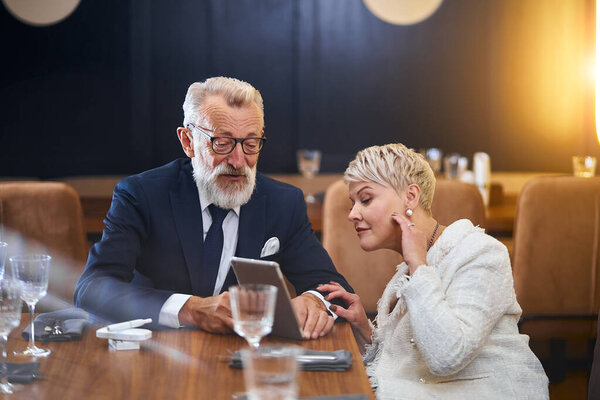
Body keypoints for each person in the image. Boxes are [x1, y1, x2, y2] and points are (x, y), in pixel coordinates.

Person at [74, 77, 352, 339]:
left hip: (241, 358)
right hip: (156, 356)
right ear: (188, 142)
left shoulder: (283, 203)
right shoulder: (142, 195)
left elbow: (335, 290)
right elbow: (92, 289)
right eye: (222, 142)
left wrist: (312, 301)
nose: (238, 160)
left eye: (251, 143)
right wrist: (191, 309)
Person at [317, 144, 549, 399]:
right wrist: (363, 327)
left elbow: (446, 356)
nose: (352, 214)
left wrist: (418, 265)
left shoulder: (482, 252)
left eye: (366, 199)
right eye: (353, 203)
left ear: (411, 197)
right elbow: (403, 363)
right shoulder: (410, 268)